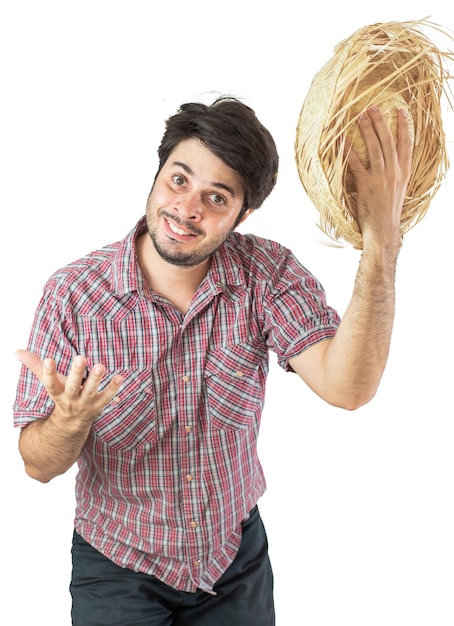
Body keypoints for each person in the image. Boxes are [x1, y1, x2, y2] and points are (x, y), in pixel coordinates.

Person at [13, 96, 412, 625]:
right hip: (116, 566)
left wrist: (381, 241)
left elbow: (348, 388)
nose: (188, 208)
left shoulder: (266, 275)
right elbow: (37, 465)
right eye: (179, 180)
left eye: (216, 197)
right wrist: (69, 420)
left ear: (242, 214)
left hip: (233, 562)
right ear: (156, 177)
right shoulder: (73, 295)